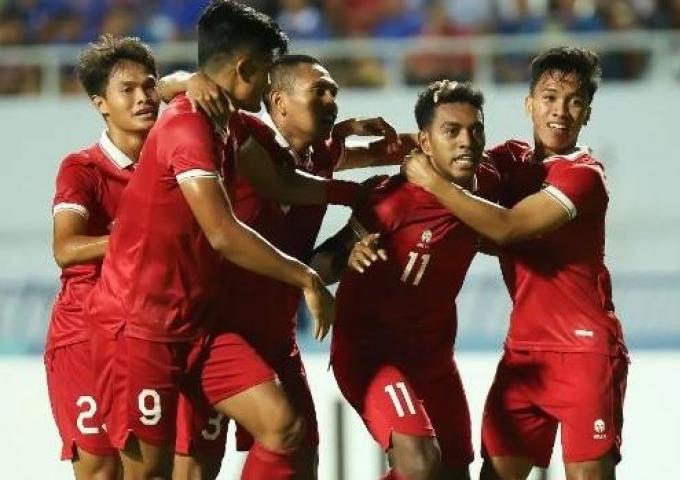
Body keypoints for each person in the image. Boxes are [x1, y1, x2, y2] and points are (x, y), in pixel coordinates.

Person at [83, 3, 341, 479]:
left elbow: (281, 178)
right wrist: (306, 276)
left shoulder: (226, 123)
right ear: (244, 68)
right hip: (140, 327)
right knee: (151, 473)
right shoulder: (187, 126)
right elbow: (223, 233)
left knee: (284, 425)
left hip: (198, 325)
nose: (269, 89)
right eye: (265, 75)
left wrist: (353, 189)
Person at [164, 53, 413, 479]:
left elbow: (311, 263)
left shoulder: (323, 155)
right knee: (196, 466)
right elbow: (159, 87)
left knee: (301, 456)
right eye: (320, 90)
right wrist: (192, 80)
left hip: (276, 335)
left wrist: (429, 147)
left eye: (334, 90)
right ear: (278, 102)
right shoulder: (239, 142)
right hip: (215, 331)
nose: (333, 99)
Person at [401, 47, 629, 480]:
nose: (560, 111)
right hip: (523, 352)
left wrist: (429, 179)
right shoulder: (510, 159)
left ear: (588, 113)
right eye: (549, 98)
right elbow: (453, 152)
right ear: (529, 103)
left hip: (584, 352)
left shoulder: (583, 176)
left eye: (574, 101)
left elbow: (506, 228)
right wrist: (368, 147)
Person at [320, 80, 501, 480]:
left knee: (452, 474)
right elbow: (322, 264)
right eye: (450, 131)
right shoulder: (391, 200)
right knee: (418, 462)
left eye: (475, 130)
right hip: (371, 354)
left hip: (434, 357)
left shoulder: (488, 184)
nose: (466, 141)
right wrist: (348, 255)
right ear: (425, 141)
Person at [45, 34, 160, 480]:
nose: (143, 98)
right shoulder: (82, 168)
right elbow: (66, 248)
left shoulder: (176, 161)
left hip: (153, 332)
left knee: (155, 470)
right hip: (85, 333)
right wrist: (137, 236)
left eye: (149, 86)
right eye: (126, 90)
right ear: (101, 104)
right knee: (101, 470)